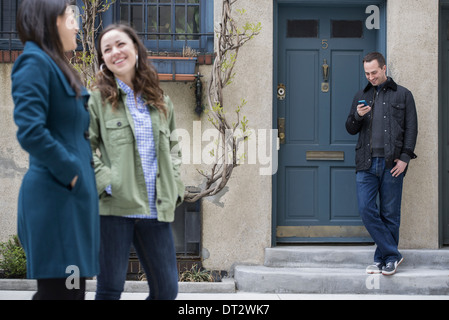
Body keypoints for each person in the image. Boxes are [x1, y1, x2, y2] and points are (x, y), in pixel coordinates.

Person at [88, 24, 185, 300]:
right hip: (114, 209)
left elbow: (174, 149)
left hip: (156, 209)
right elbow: (82, 146)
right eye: (106, 49)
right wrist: (106, 182)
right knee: (109, 290)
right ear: (103, 60)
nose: (114, 52)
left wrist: (175, 186)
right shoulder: (98, 100)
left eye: (120, 44)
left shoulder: (161, 100)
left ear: (135, 49)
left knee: (166, 290)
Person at [11, 0, 99, 300]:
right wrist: (72, 173)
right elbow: (31, 131)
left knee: (70, 294)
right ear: (51, 20)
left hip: (71, 205)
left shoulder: (58, 65)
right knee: (63, 295)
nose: (77, 24)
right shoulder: (33, 62)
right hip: (57, 202)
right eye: (71, 16)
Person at [345, 52, 418, 276]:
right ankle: (392, 255)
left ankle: (383, 259)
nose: (371, 77)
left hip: (392, 163)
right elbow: (350, 128)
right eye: (367, 73)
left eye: (374, 72)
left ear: (384, 68)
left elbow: (411, 129)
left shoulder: (403, 95)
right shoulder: (361, 95)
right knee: (366, 209)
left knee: (390, 213)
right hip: (366, 163)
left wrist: (405, 158)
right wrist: (357, 116)